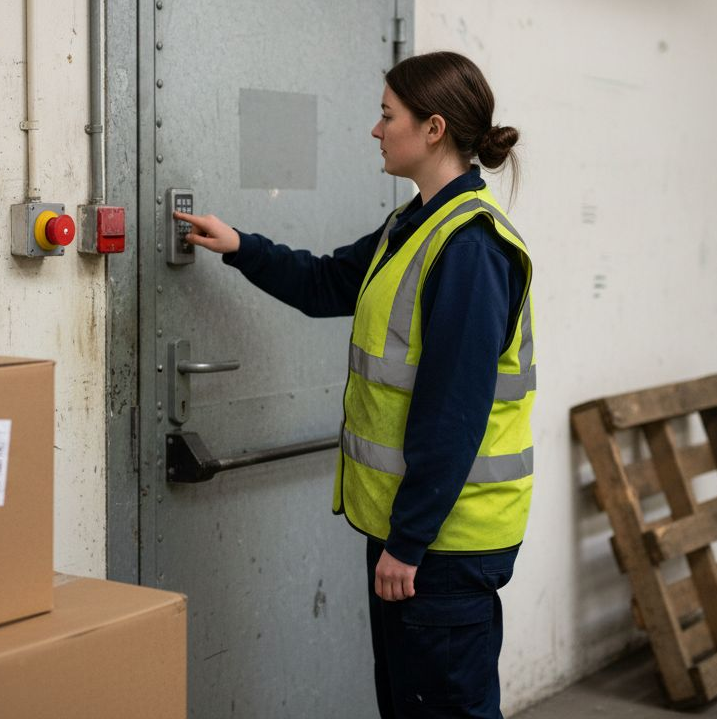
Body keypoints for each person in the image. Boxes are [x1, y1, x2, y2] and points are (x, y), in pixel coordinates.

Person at [174, 50, 535, 719]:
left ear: (432, 129)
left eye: (387, 115)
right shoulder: (414, 224)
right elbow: (327, 283)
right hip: (416, 532)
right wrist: (241, 246)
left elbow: (453, 417)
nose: (376, 129)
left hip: (445, 544)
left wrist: (409, 541)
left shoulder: (470, 249)